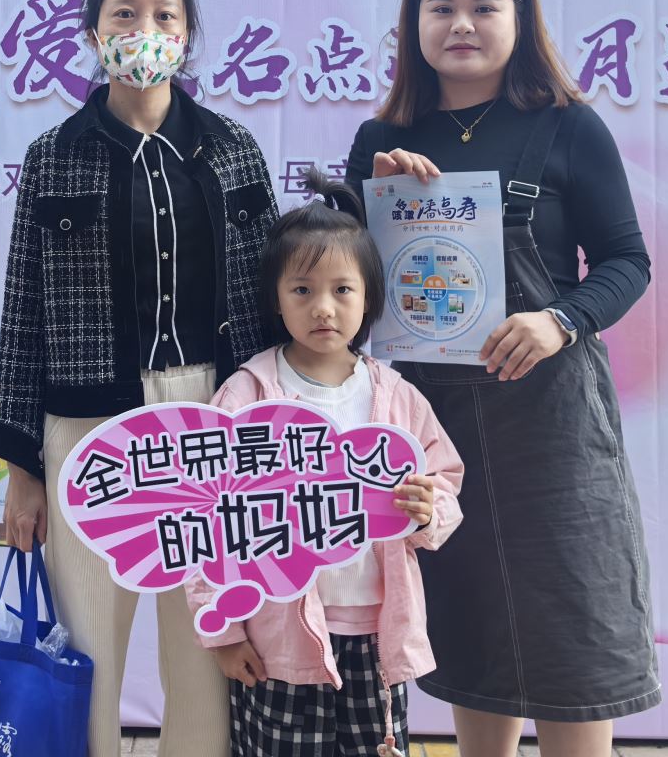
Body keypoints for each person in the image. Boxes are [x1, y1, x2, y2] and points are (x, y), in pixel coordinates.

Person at [345, 0, 660, 757]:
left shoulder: (568, 127)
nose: (462, 24)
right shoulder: (380, 141)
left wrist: (560, 320)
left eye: (485, 7)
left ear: (520, 19)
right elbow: (343, 287)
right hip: (431, 422)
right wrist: (371, 209)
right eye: (440, 8)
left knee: (574, 621)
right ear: (413, 23)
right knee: (470, 619)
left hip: (552, 420)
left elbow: (626, 262)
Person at [0, 0, 280, 757]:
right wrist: (22, 469)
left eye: (164, 15)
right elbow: (23, 314)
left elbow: (276, 290)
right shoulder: (54, 156)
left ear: (187, 35)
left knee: (208, 641)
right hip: (90, 428)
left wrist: (280, 429)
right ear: (93, 32)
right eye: (125, 13)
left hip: (215, 420)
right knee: (88, 649)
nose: (145, 30)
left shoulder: (232, 149)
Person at [189, 167, 465, 757]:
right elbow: (206, 520)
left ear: (369, 298)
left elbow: (444, 482)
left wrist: (427, 511)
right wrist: (224, 629)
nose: (323, 308)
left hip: (377, 630)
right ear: (275, 299)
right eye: (302, 290)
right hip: (276, 634)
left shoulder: (395, 396)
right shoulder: (246, 396)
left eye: (343, 290)